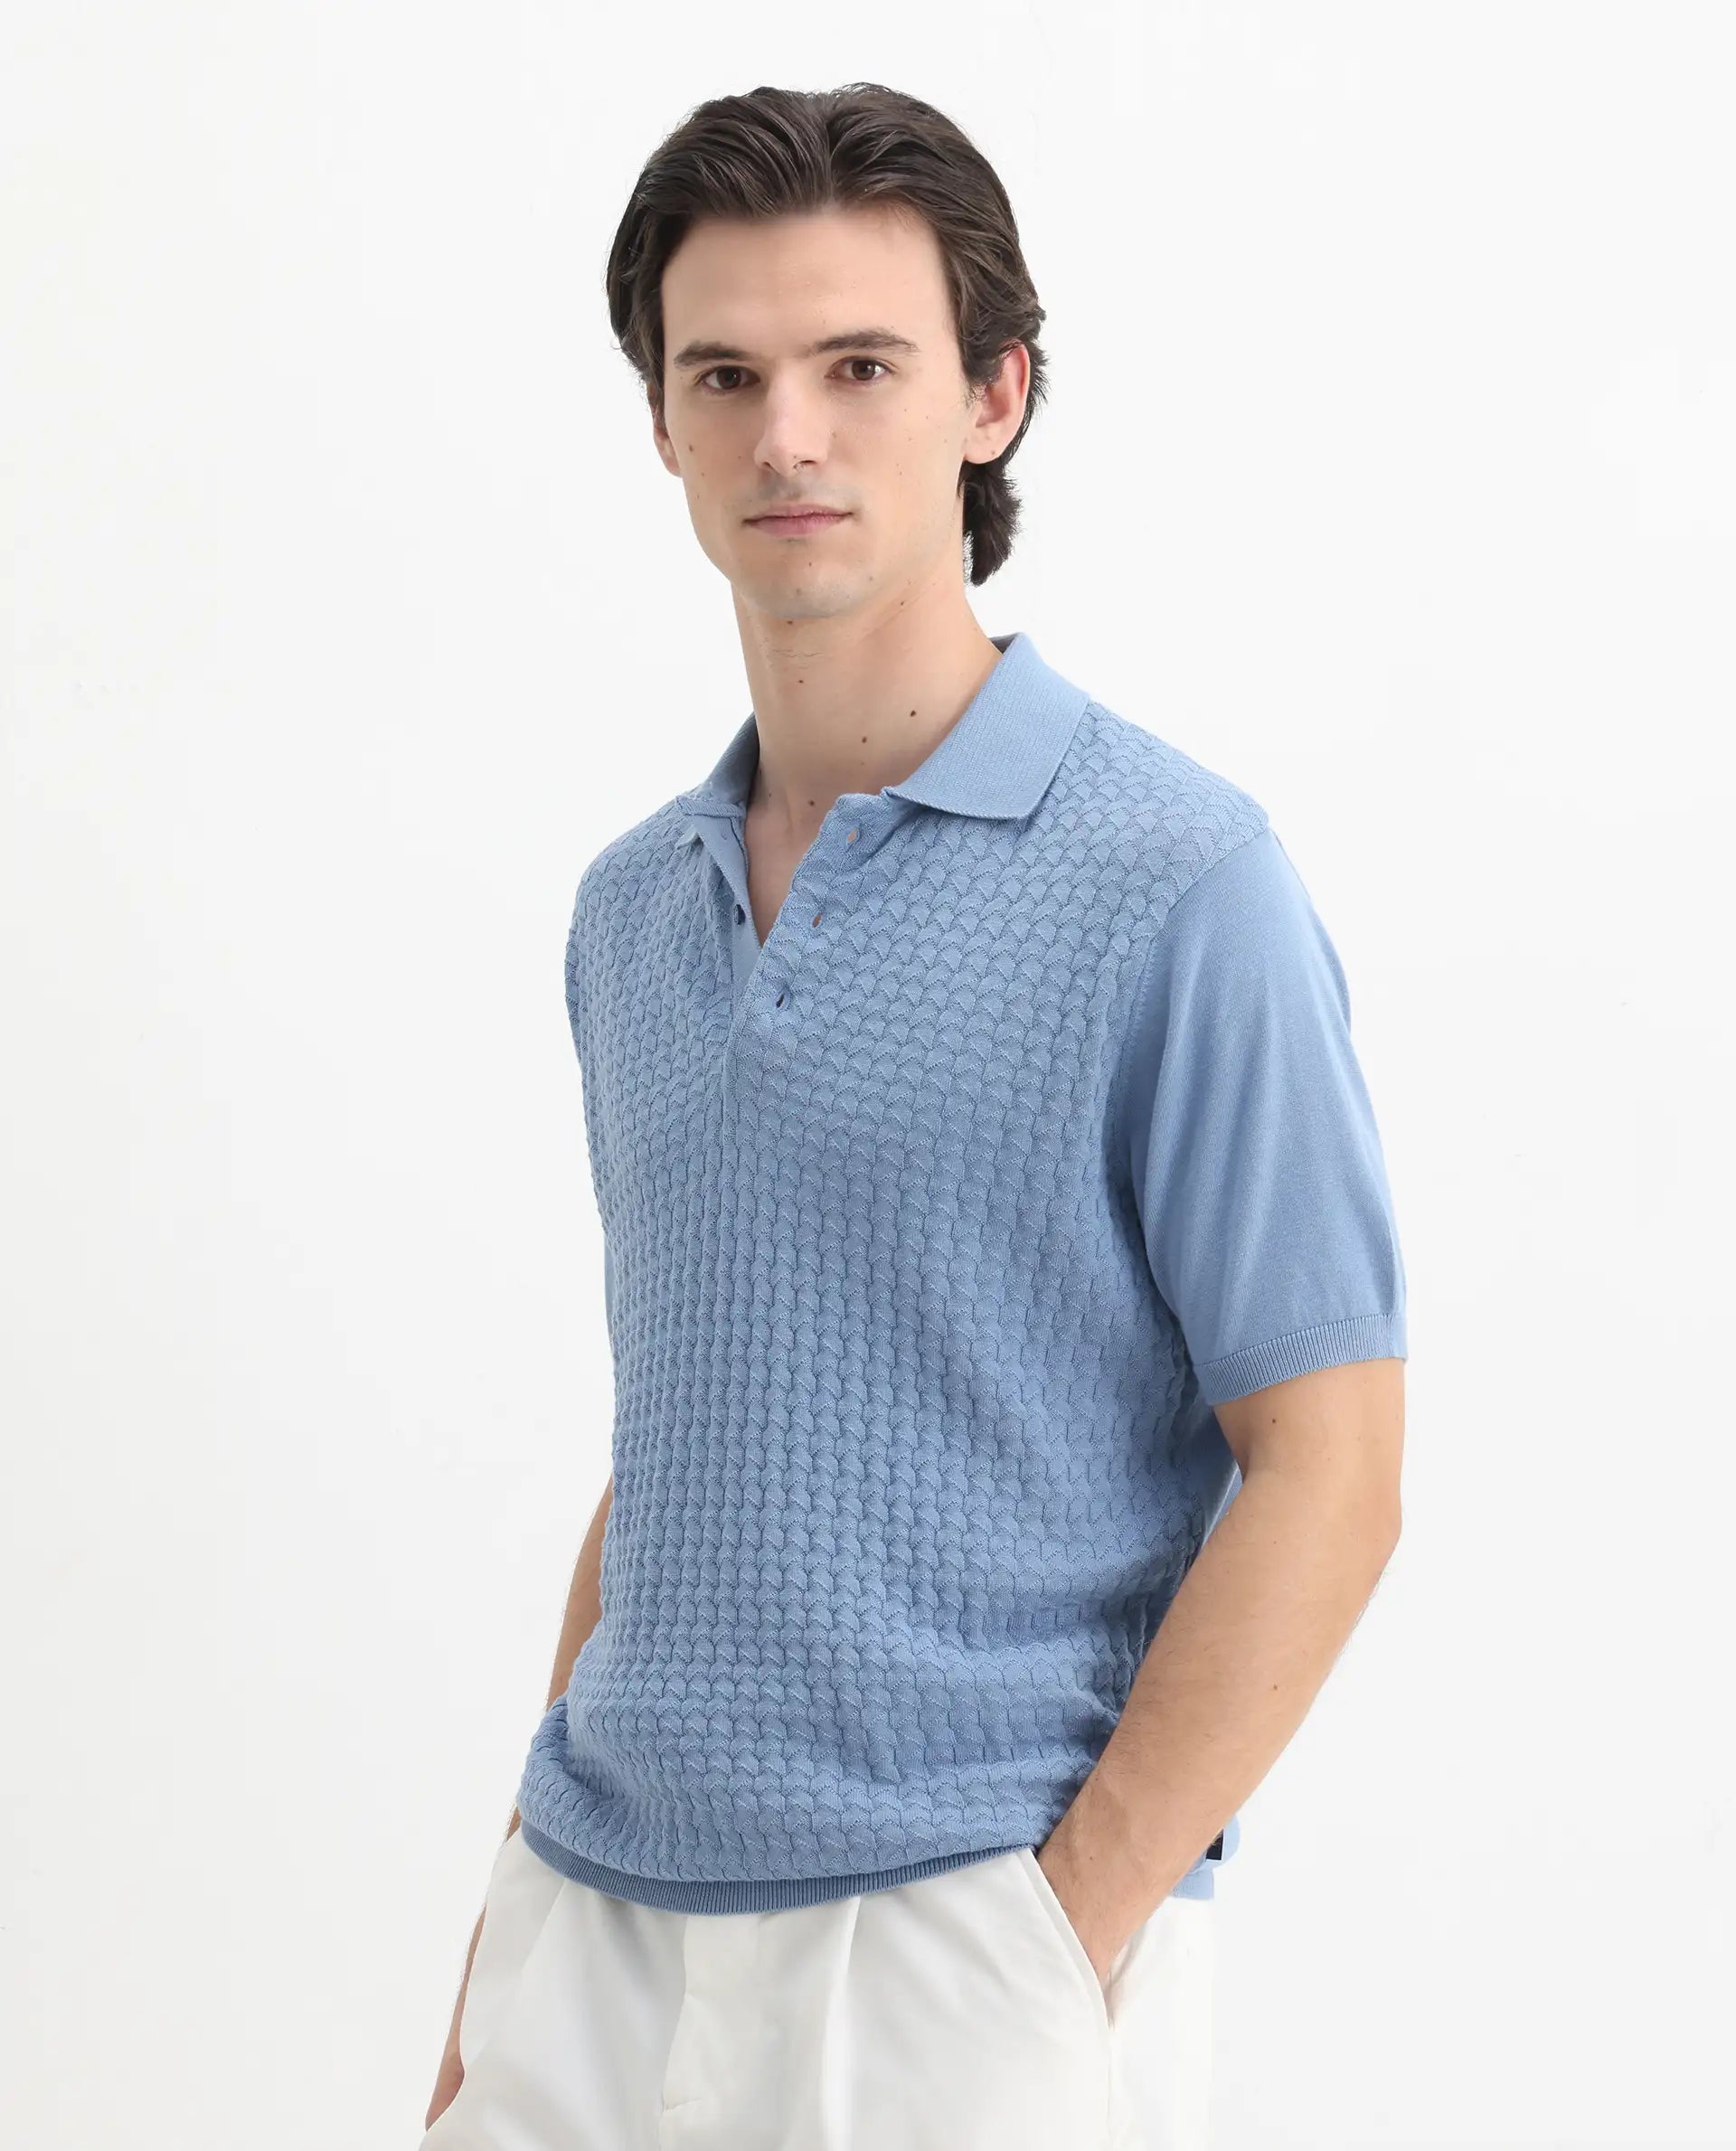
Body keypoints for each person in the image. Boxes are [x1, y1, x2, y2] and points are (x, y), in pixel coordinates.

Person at [420, 80, 1407, 2151]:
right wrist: (496, 1957)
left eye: (859, 365)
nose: (789, 433)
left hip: (956, 1948)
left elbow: (1330, 1463)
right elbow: (681, 1445)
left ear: (993, 395)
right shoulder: (630, 913)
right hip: (592, 1931)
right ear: (663, 421)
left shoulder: (1177, 880)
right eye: (726, 374)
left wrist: (1065, 1924)